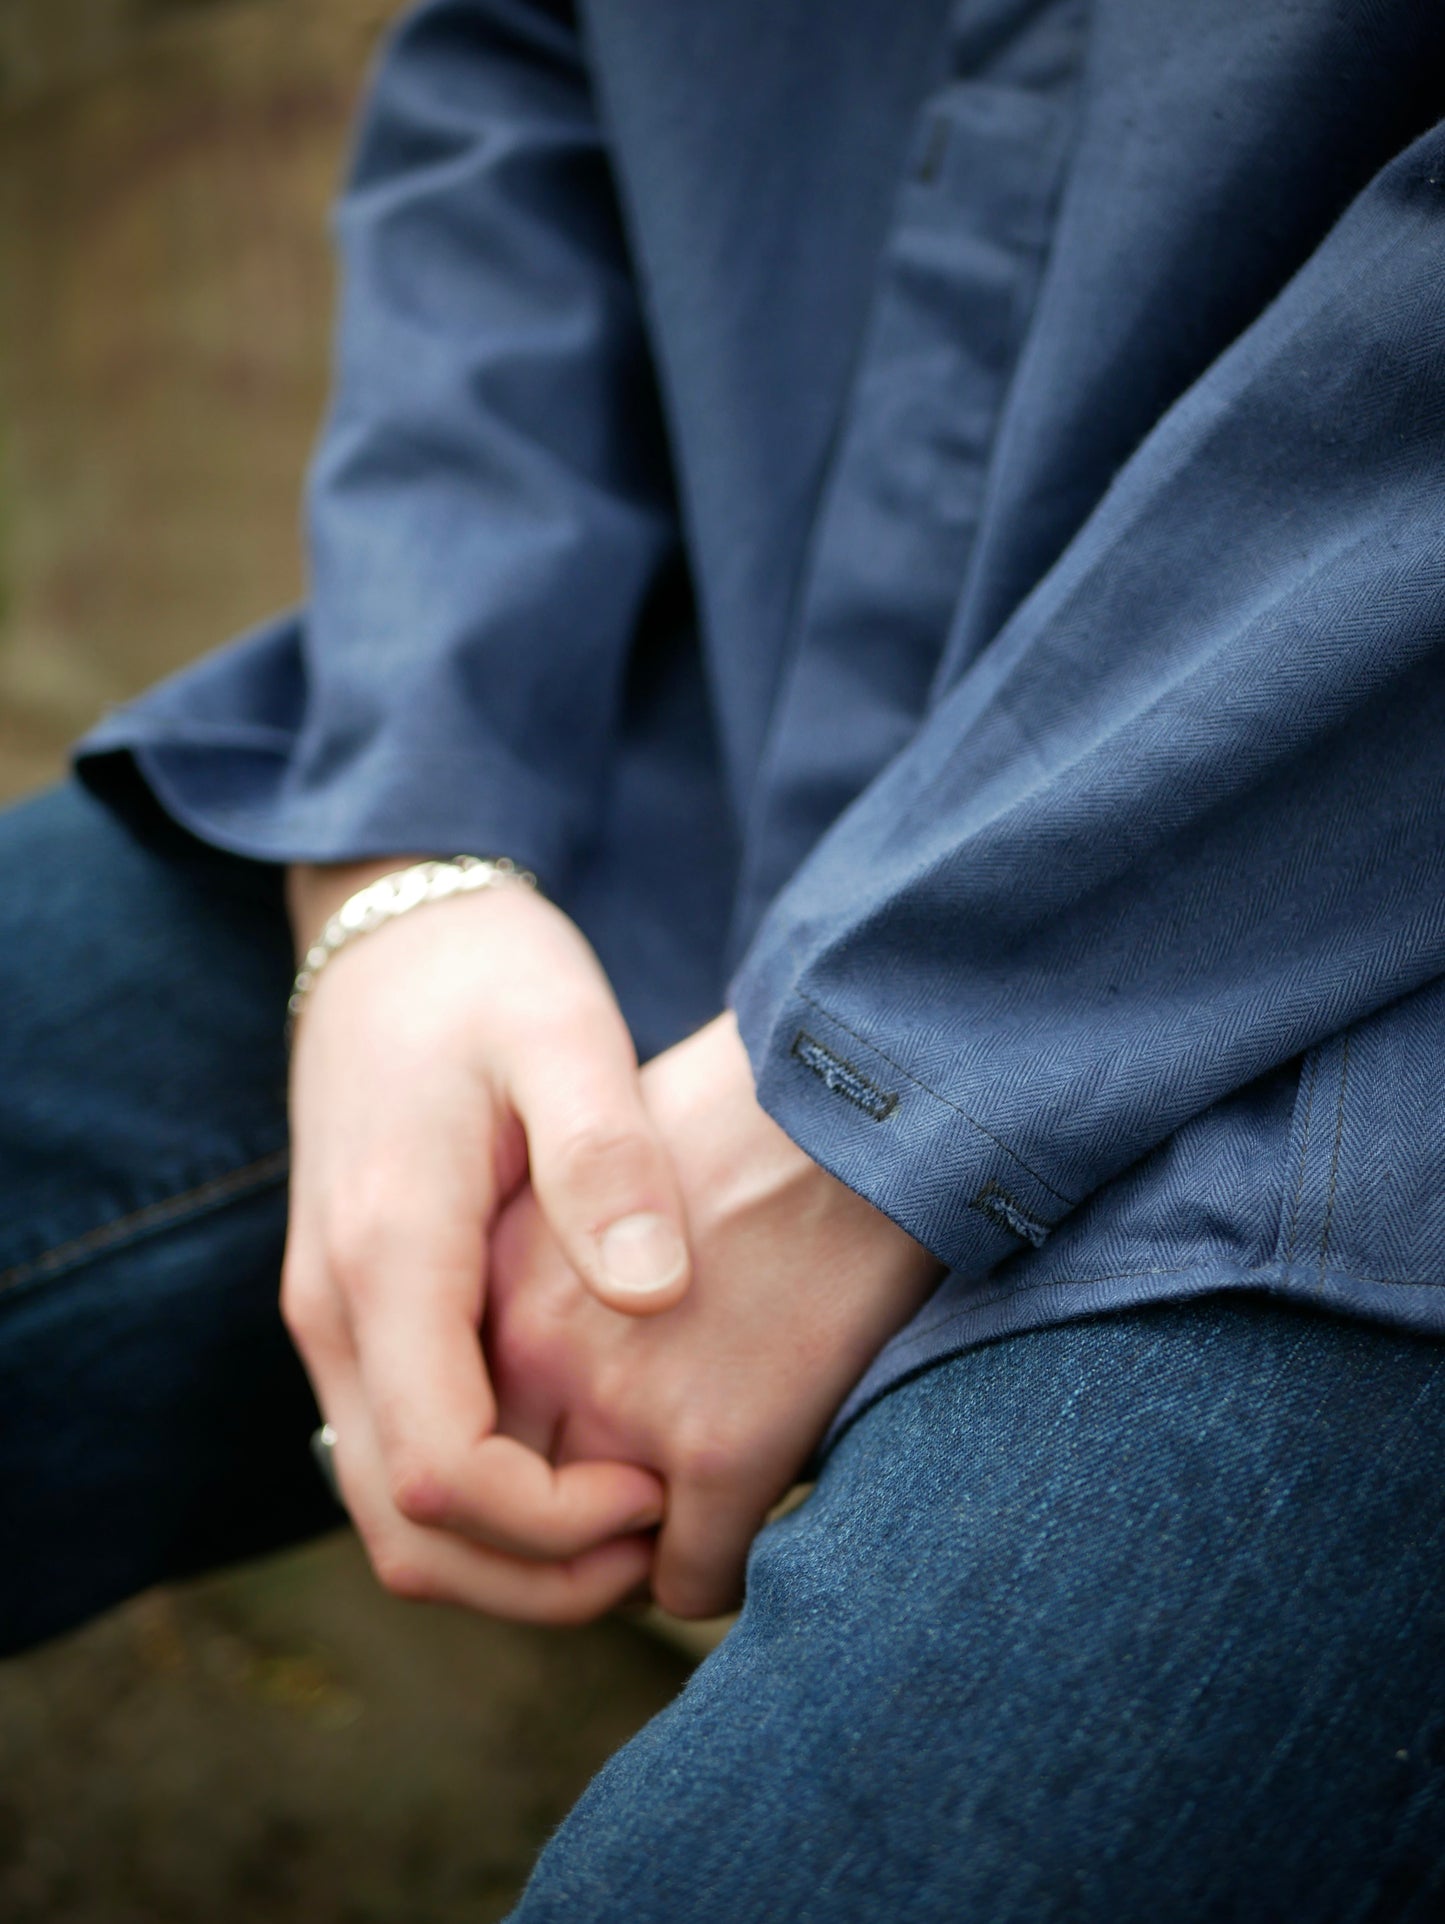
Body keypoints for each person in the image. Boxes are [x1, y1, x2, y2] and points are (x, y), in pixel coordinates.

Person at [4, 0, 1445, 1913]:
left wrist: (863, 1088)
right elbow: (523, 65)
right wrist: (398, 865)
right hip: (660, 746)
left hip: (1350, 1010)